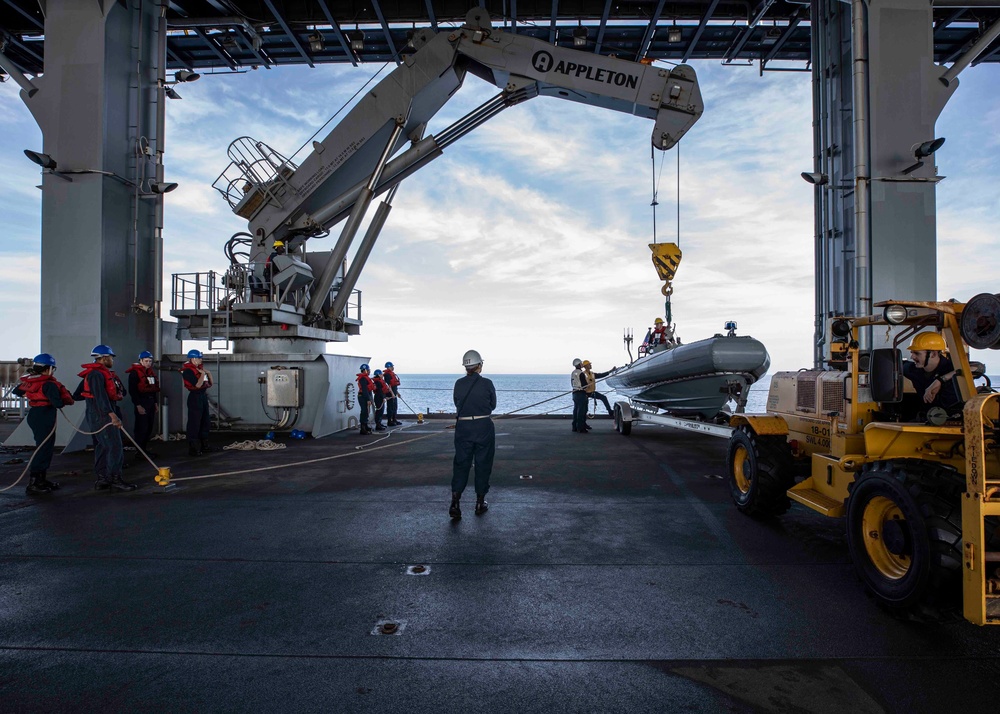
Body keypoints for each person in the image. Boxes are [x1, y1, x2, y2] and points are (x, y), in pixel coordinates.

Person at [13, 353, 74, 494]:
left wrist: (31, 395)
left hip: (34, 414)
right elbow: (58, 403)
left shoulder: (30, 381)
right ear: (49, 369)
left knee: (43, 446)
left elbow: (18, 391)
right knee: (44, 448)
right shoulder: (49, 384)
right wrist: (65, 398)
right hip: (45, 415)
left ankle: (41, 480)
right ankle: (34, 482)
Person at [78, 345, 135, 492]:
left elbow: (78, 394)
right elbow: (100, 397)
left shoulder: (95, 374)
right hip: (102, 414)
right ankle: (114, 479)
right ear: (104, 358)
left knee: (102, 447)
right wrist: (112, 414)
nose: (112, 361)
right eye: (110, 358)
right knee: (114, 446)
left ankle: (103, 479)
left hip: (97, 413)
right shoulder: (96, 375)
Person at [450, 349, 497, 519]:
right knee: (483, 463)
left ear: (466, 367)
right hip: (483, 426)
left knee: (461, 464)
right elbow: (493, 405)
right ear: (479, 365)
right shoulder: (487, 383)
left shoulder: (458, 383)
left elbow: (457, 403)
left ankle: (455, 502)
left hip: (463, 427)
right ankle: (480, 502)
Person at [902, 331, 962, 412]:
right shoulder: (913, 370)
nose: (912, 357)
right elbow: (893, 363)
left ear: (933, 354)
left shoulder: (952, 368)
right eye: (912, 353)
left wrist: (940, 380)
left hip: (951, 419)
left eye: (917, 353)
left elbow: (978, 367)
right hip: (925, 418)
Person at [125, 350, 160, 458]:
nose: (148, 363)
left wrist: (155, 403)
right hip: (142, 402)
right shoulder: (134, 374)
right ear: (140, 361)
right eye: (146, 361)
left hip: (150, 402)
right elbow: (133, 391)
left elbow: (153, 390)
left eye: (150, 361)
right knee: (141, 428)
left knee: (149, 427)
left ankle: (144, 450)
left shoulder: (150, 373)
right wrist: (138, 405)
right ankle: (139, 452)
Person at [181, 349, 213, 456]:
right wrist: (203, 373)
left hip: (202, 396)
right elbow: (198, 385)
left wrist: (208, 373)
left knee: (205, 421)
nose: (201, 360)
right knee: (194, 422)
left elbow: (210, 383)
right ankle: (193, 448)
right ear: (193, 359)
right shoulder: (188, 371)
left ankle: (205, 445)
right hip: (195, 397)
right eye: (199, 358)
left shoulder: (199, 369)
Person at [570, 358, 589, 433]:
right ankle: (581, 428)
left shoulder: (573, 373)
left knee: (575, 410)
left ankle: (574, 426)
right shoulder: (581, 373)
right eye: (581, 363)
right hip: (581, 393)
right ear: (579, 365)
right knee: (581, 411)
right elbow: (584, 384)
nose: (582, 364)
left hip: (574, 392)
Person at [356, 363, 374, 435]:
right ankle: (362, 428)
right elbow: (364, 390)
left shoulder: (366, 378)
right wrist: (368, 399)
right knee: (364, 411)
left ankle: (365, 426)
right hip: (363, 396)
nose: (369, 371)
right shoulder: (363, 379)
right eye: (368, 370)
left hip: (365, 396)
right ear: (365, 370)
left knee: (366, 411)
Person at [383, 361, 402, 425]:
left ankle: (394, 419)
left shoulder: (392, 374)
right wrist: (392, 393)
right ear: (389, 367)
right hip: (390, 394)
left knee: (394, 407)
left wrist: (397, 393)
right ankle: (389, 421)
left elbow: (394, 386)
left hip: (394, 393)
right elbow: (388, 385)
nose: (393, 368)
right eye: (392, 366)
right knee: (390, 407)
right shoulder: (387, 375)